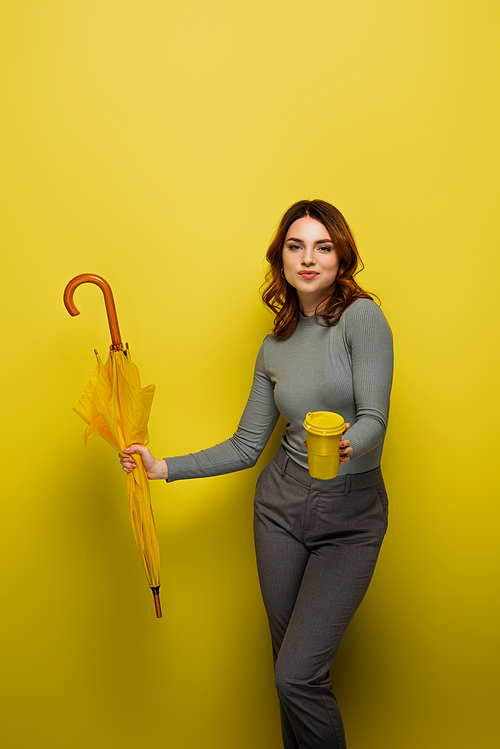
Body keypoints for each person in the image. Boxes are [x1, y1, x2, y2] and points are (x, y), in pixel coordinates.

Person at [120, 199, 393, 749]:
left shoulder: (361, 319)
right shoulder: (275, 346)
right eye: (296, 246)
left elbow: (375, 420)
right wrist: (162, 467)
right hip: (280, 511)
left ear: (342, 257)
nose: (309, 259)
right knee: (284, 670)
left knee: (298, 674)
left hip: (351, 514)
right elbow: (248, 445)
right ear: (281, 259)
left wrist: (344, 445)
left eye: (323, 246)